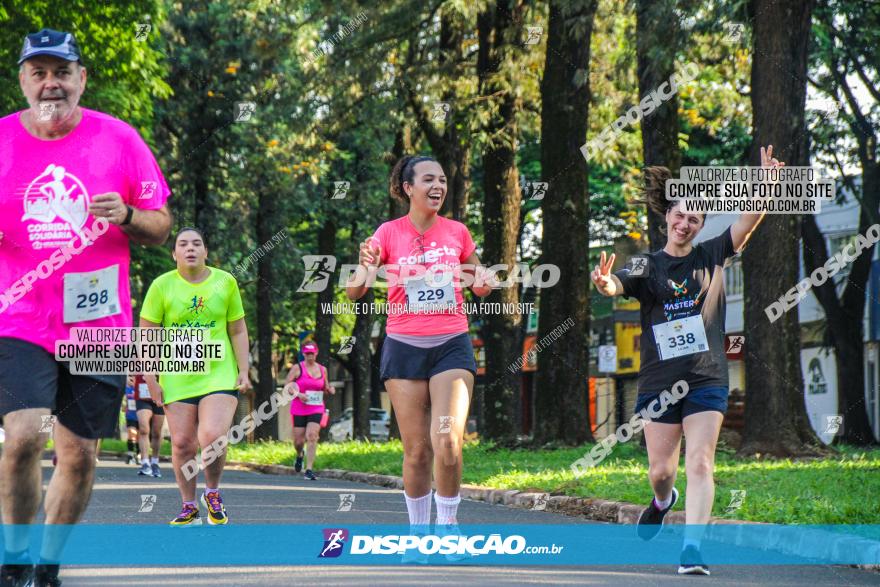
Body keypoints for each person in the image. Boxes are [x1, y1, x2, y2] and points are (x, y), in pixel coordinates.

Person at [0, 29, 171, 587]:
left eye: (62, 72)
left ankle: (48, 562)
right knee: (24, 434)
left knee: (78, 455)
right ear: (22, 80)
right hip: (20, 315)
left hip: (96, 319)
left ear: (81, 80)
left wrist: (125, 215)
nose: (51, 83)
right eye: (39, 72)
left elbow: (161, 226)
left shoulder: (118, 138)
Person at [591, 146, 783, 575]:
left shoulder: (711, 254)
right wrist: (605, 283)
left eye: (694, 219)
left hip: (706, 378)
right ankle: (663, 501)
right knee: (661, 471)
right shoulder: (646, 263)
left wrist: (767, 183)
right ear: (667, 218)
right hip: (660, 382)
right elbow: (617, 286)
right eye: (679, 215)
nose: (684, 223)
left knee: (700, 462)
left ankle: (692, 549)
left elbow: (748, 223)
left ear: (700, 225)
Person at [346, 155, 496, 559]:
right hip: (404, 346)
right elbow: (354, 293)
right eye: (429, 179)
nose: (439, 185)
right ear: (407, 187)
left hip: (451, 344)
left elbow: (479, 280)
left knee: (447, 439)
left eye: (443, 180)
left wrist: (484, 280)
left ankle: (447, 530)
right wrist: (364, 269)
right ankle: (418, 535)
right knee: (416, 450)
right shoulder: (387, 233)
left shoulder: (458, 232)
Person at [139, 227, 252, 526]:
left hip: (218, 371)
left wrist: (244, 368)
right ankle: (188, 504)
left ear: (205, 252)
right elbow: (148, 334)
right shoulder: (161, 286)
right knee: (182, 444)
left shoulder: (225, 282)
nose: (190, 248)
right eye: (183, 244)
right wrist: (150, 376)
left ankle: (212, 492)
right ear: (174, 254)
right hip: (177, 373)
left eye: (197, 243)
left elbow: (238, 329)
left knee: (212, 436)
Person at [283, 342, 335, 480]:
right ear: (303, 354)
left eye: (312, 353)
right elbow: (288, 385)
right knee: (298, 441)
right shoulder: (297, 368)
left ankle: (309, 469)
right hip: (299, 407)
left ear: (316, 353)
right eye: (307, 353)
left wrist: (330, 389)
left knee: (312, 436)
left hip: (316, 407)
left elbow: (325, 386)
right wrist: (299, 395)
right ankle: (300, 455)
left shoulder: (323, 369)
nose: (310, 356)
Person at [134, 374, 165, 477]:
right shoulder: (137, 357)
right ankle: (145, 462)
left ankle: (155, 462)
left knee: (156, 432)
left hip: (159, 397)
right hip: (142, 397)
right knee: (143, 429)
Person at [123, 376, 139, 465]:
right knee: (132, 434)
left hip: (141, 416)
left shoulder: (141, 388)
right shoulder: (126, 389)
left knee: (139, 437)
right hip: (130, 416)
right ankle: (130, 454)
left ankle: (138, 455)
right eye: (130, 377)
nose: (132, 379)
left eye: (134, 376)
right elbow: (123, 404)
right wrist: (124, 405)